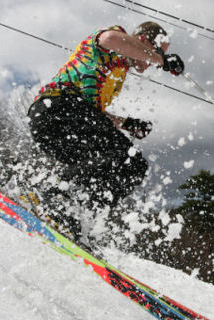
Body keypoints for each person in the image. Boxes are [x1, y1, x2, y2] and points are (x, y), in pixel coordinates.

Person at [28, 21, 184, 218]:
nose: (153, 61)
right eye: (158, 52)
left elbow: (92, 114)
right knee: (127, 156)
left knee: (132, 167)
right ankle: (50, 193)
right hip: (55, 110)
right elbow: (109, 38)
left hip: (67, 122)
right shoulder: (115, 43)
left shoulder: (119, 72)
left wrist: (126, 123)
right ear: (143, 40)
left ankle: (78, 216)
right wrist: (161, 60)